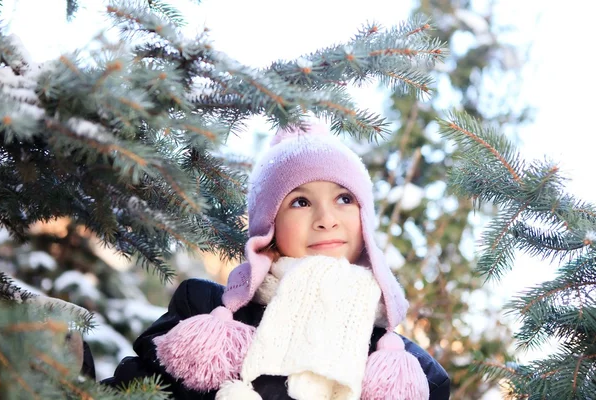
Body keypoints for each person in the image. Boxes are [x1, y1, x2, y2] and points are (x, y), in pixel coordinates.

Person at [100, 121, 450, 399]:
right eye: (300, 202)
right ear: (269, 227)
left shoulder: (404, 371)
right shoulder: (204, 313)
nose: (326, 219)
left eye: (344, 198)